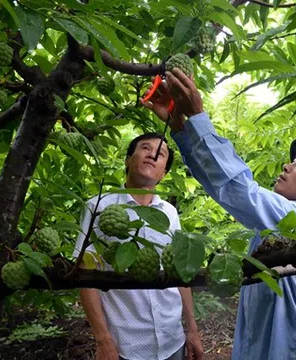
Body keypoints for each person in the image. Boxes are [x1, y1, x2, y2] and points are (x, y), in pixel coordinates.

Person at [141, 69, 296, 360]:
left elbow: (240, 190)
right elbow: (225, 189)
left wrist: (199, 117)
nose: (287, 167)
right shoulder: (278, 226)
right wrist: (179, 126)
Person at [73, 133, 203, 360]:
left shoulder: (169, 213)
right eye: (145, 148)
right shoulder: (98, 207)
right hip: (126, 343)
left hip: (172, 339)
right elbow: (85, 275)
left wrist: (192, 328)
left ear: (163, 174)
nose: (152, 154)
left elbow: (180, 273)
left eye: (160, 154)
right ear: (127, 160)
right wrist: (102, 338)